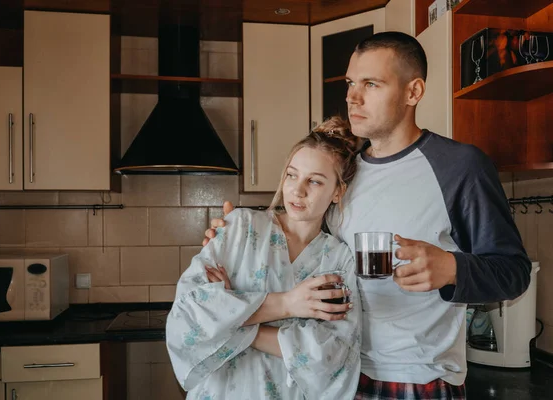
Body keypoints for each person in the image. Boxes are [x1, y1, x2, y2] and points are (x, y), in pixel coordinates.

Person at [203, 31, 532, 399]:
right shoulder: (342, 172)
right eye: (350, 83)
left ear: (413, 92)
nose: (352, 97)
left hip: (415, 379)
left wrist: (451, 268)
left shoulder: (460, 167)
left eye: (371, 84)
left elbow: (514, 272)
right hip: (332, 371)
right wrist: (233, 239)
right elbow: (298, 245)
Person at [166, 117, 364, 399]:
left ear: (337, 192)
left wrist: (232, 317)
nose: (297, 190)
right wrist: (287, 304)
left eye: (315, 181)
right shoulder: (239, 227)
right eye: (292, 175)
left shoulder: (338, 259)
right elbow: (188, 318)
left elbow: (332, 355)